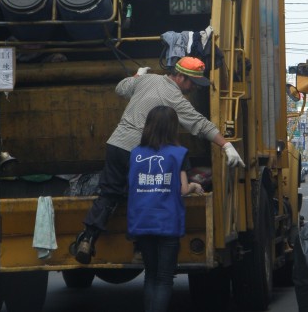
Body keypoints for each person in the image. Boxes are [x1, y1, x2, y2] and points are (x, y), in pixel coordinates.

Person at [73, 56, 245, 264]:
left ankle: (87, 239)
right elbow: (201, 125)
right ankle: (138, 249)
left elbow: (121, 88)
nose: (193, 88)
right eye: (192, 82)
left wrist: (138, 75)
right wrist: (226, 145)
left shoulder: (148, 80)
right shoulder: (175, 99)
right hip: (139, 153)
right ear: (180, 76)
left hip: (116, 144)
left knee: (109, 193)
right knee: (138, 196)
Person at [127, 105, 203, 312]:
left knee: (150, 276)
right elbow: (182, 189)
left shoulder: (136, 154)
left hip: (142, 221)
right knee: (164, 278)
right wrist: (195, 186)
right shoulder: (178, 154)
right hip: (167, 222)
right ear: (172, 128)